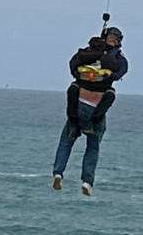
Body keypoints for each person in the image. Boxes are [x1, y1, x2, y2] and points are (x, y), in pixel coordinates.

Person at [53, 26, 126, 196]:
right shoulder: (117, 58)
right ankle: (87, 181)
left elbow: (73, 64)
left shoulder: (88, 52)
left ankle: (58, 172)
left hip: (79, 103)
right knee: (93, 147)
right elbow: (120, 72)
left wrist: (78, 76)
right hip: (96, 107)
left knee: (66, 141)